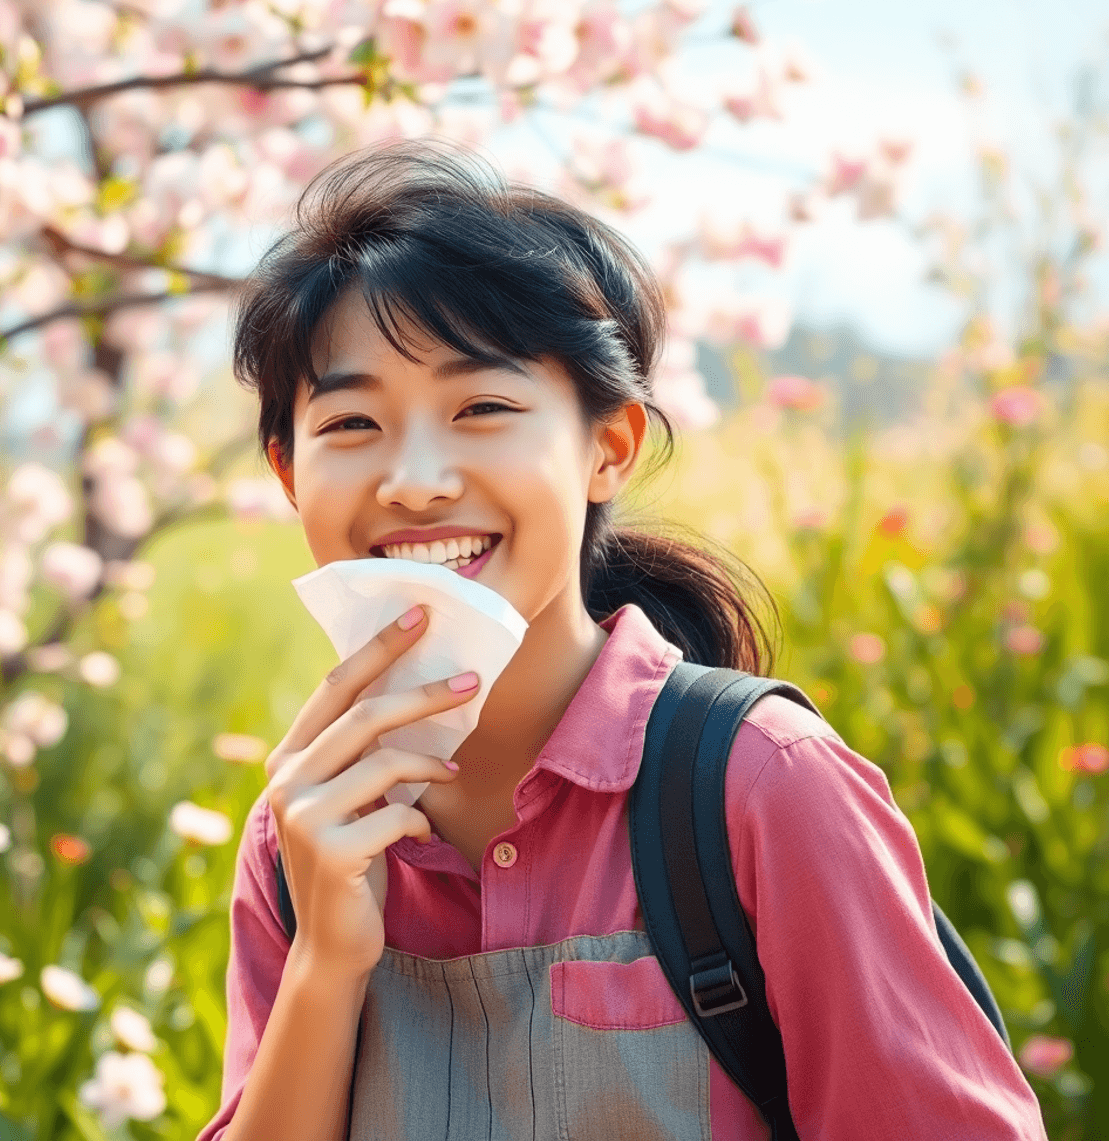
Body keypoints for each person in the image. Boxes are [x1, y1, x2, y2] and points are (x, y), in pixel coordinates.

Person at [197, 141, 1046, 1141]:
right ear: (289, 474)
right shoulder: (301, 830)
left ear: (609, 448)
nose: (415, 481)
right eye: (351, 425)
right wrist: (325, 965)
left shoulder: (763, 790)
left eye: (482, 409)